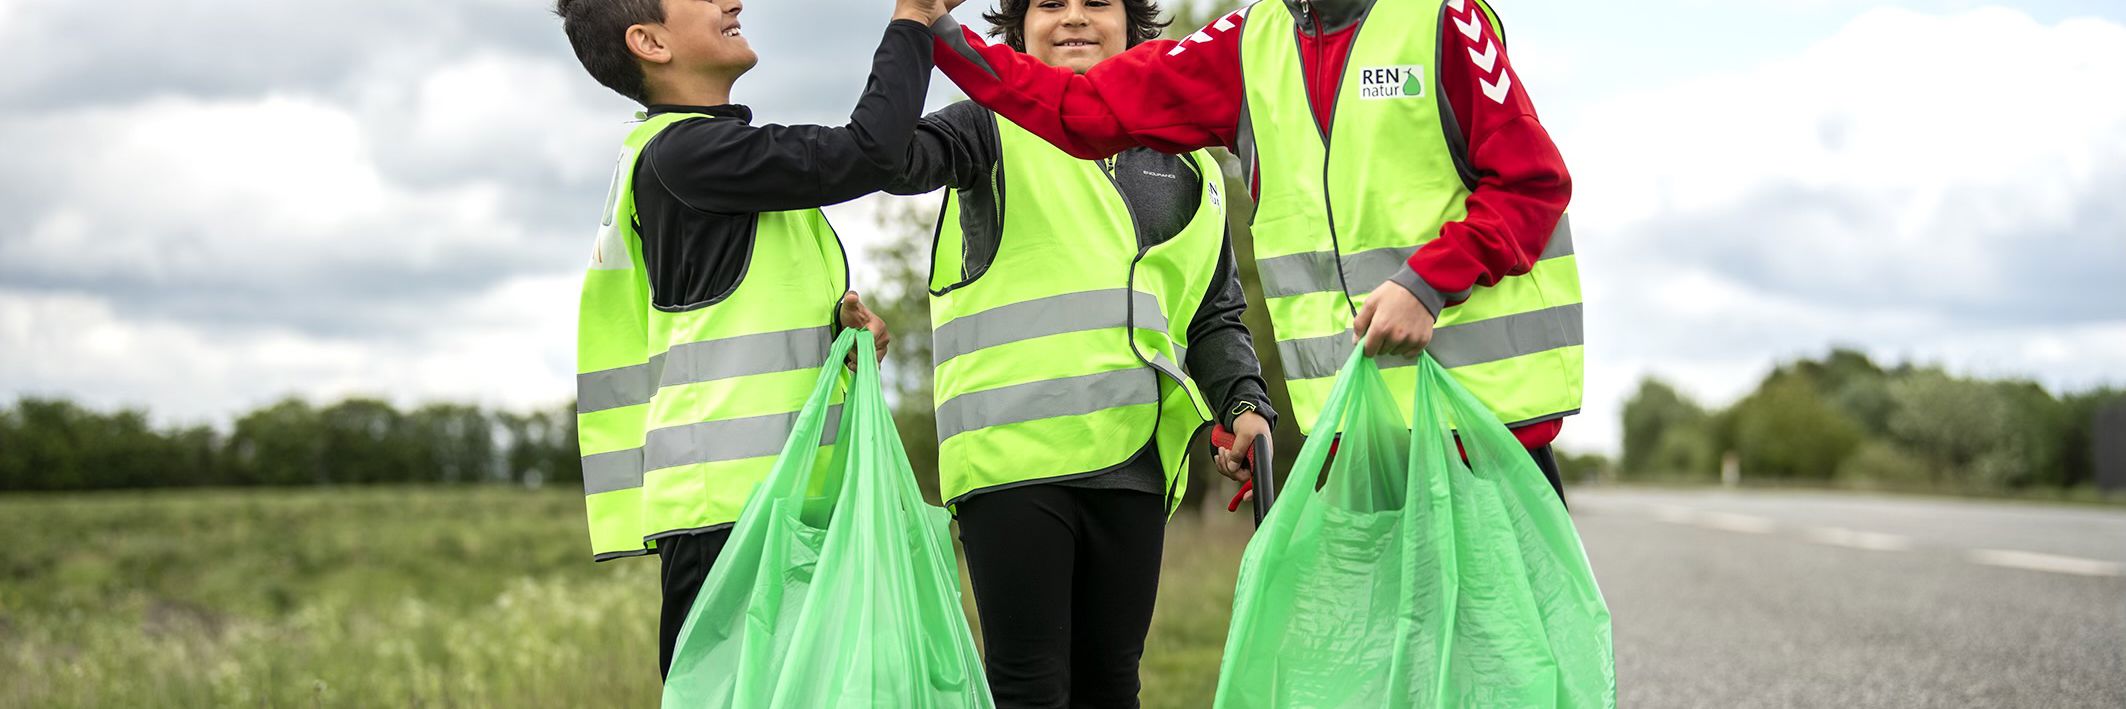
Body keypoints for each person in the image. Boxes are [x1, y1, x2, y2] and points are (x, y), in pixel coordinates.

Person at [923, 0, 1582, 501]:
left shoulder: (1442, 19)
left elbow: (1533, 185)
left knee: (1514, 675)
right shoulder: (1249, 42)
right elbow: (1084, 109)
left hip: (1487, 435)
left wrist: (1428, 283)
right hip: (1357, 445)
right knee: (1389, 676)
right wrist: (942, 33)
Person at [881, 0, 1275, 704]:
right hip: (1012, 467)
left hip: (1131, 468)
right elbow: (888, 155)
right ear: (1017, 24)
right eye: (1051, 4)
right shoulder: (984, 126)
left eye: (1097, 2)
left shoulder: (1192, 166)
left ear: (1132, 23)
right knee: (1032, 686)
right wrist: (916, 29)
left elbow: (1215, 314)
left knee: (1111, 683)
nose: (1074, 19)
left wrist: (1243, 401)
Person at [552, 0, 951, 680]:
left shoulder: (697, 162)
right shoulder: (689, 155)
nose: (731, 1)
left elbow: (729, 320)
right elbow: (868, 151)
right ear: (648, 42)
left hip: (762, 509)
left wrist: (843, 336)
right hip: (734, 518)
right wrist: (912, 19)